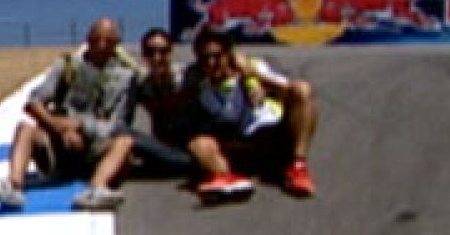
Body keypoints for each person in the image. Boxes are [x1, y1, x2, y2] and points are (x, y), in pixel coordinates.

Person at [0, 17, 137, 211]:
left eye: (108, 41)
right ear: (88, 40)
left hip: (94, 149)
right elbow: (33, 103)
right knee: (25, 129)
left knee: (125, 141)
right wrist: (58, 128)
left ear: (116, 45)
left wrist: (80, 126)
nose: (102, 46)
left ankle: (96, 189)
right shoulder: (67, 67)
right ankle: (13, 186)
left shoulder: (126, 78)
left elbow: (118, 124)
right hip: (58, 147)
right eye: (97, 39)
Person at [183, 25, 319, 203]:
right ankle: (229, 180)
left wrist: (257, 78)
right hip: (249, 143)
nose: (210, 63)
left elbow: (293, 93)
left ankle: (298, 166)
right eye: (204, 58)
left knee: (304, 89)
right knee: (198, 144)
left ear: (229, 54)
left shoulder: (254, 67)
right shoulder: (206, 92)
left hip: (277, 132)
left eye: (217, 56)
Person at [126, 27, 198, 178]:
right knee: (120, 132)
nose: (157, 57)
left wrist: (251, 80)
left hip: (192, 150)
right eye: (150, 52)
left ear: (171, 52)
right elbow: (125, 117)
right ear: (144, 55)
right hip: (163, 149)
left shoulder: (188, 76)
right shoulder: (143, 84)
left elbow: (227, 58)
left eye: (163, 51)